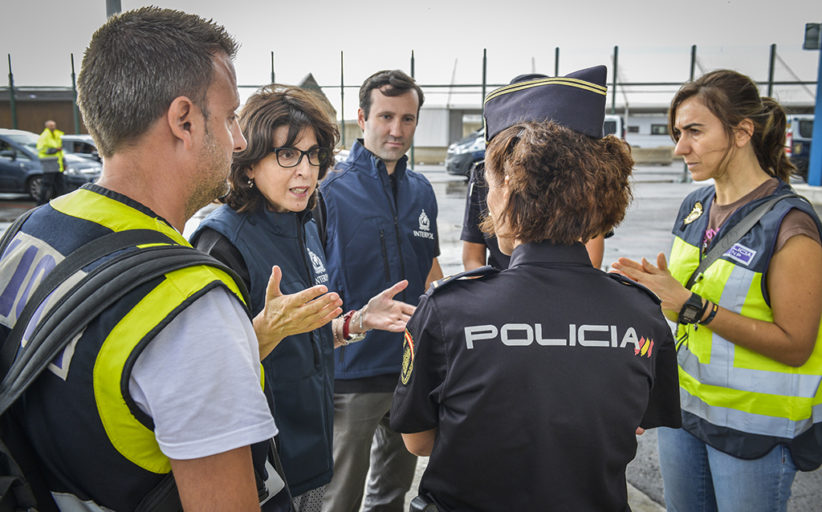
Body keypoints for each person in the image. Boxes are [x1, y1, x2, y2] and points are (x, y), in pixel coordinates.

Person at [0, 8, 288, 511]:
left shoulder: (28, 232)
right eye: (229, 117)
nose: (239, 140)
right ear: (184, 121)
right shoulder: (189, 308)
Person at [390, 66, 682, 511]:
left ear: (509, 190)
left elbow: (418, 441)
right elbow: (632, 423)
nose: (487, 200)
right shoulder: (641, 313)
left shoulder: (449, 310)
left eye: (489, 185)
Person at [190, 85, 416, 512]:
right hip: (263, 467)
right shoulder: (220, 243)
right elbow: (201, 375)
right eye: (288, 155)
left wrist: (357, 322)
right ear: (249, 163)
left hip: (313, 453)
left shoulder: (305, 221)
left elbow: (303, 338)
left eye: (313, 155)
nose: (306, 171)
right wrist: (263, 331)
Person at [611, 69, 822, 512]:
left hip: (753, 433)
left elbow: (796, 346)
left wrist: (693, 306)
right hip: (685, 414)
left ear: (742, 132)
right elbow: (682, 310)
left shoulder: (790, 225)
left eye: (694, 131)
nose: (679, 147)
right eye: (678, 133)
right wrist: (659, 293)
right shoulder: (695, 207)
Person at [319, 70, 443, 512]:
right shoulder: (328, 190)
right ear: (361, 118)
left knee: (392, 493)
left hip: (409, 369)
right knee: (339, 498)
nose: (397, 129)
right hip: (350, 373)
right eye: (386, 116)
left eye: (408, 119)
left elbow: (430, 271)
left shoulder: (421, 191)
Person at [35, 119, 65, 205]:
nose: (53, 127)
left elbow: (61, 152)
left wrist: (64, 162)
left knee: (59, 185)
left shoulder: (57, 135)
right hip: (49, 164)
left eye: (54, 125)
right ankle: (41, 203)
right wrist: (55, 149)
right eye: (51, 126)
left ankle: (57, 202)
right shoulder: (44, 136)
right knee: (47, 184)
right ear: (47, 126)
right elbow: (42, 149)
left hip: (58, 164)